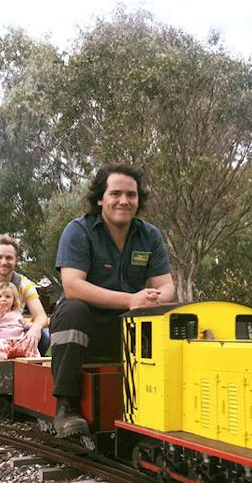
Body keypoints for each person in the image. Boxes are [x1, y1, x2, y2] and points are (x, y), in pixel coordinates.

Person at [51, 163, 175, 437]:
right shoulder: (78, 231)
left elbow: (166, 285)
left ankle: (156, 405)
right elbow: (73, 286)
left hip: (125, 328)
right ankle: (66, 406)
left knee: (166, 318)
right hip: (86, 327)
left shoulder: (149, 235)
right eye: (116, 193)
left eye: (131, 195)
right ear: (100, 198)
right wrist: (131, 299)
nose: (124, 201)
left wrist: (154, 298)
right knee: (73, 310)